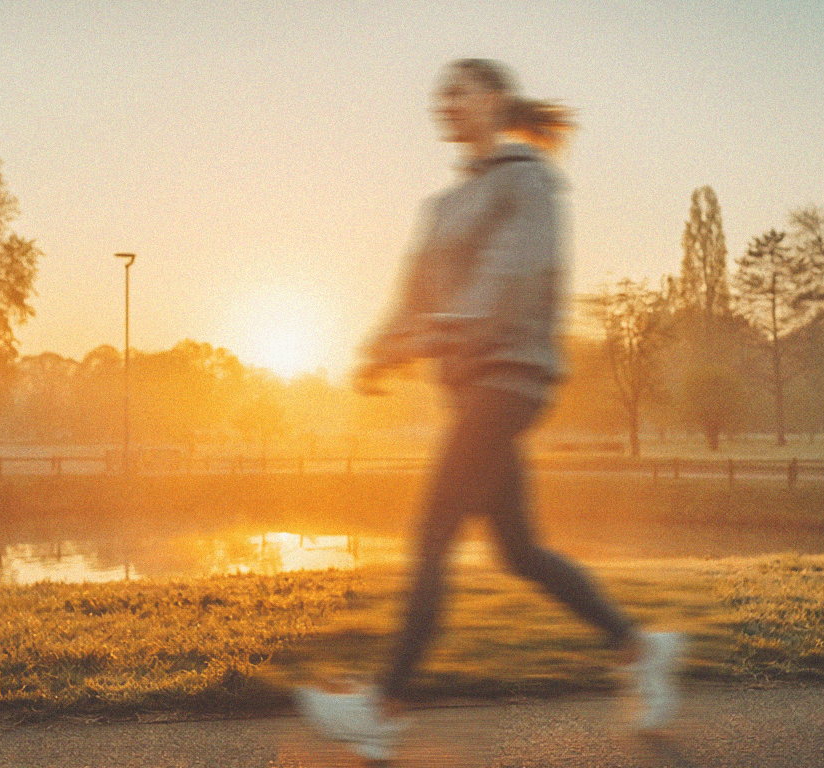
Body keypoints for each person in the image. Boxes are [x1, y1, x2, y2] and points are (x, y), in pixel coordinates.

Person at [294, 58, 685, 762]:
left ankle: (381, 708)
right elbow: (413, 296)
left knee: (432, 533)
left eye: (461, 90)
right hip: (471, 385)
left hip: (511, 377)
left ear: (496, 99)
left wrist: (444, 328)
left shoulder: (529, 179)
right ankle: (639, 647)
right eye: (440, 94)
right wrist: (382, 349)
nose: (446, 102)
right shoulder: (441, 208)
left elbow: (515, 273)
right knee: (519, 551)